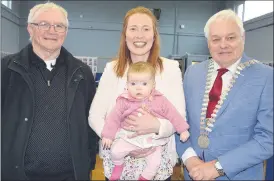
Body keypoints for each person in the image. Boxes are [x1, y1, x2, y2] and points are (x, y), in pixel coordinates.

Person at [1, 2, 98, 180]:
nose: (52, 31)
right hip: (18, 174)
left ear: (66, 32)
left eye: (59, 26)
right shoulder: (6, 70)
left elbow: (90, 122)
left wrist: (88, 162)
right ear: (30, 28)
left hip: (71, 175)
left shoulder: (82, 73)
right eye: (44, 24)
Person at [89, 6, 186, 180]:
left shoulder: (171, 69)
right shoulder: (112, 69)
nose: (139, 35)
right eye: (133, 29)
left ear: (154, 34)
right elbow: (95, 116)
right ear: (124, 35)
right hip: (119, 162)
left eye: (146, 29)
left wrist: (156, 126)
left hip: (157, 163)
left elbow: (178, 116)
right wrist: (124, 138)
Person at [176, 9, 273, 180]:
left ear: (243, 38)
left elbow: (267, 138)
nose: (223, 45)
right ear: (208, 43)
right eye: (216, 39)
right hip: (193, 174)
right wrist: (190, 159)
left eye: (231, 37)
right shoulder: (193, 73)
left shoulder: (265, 77)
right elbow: (178, 121)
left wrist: (217, 168)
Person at [101, 62, 190, 180]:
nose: (138, 88)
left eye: (144, 84)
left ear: (153, 85)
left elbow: (174, 115)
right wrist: (108, 135)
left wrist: (183, 130)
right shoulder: (124, 101)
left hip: (153, 141)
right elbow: (113, 118)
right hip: (130, 138)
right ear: (127, 84)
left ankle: (145, 177)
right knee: (115, 151)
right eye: (133, 83)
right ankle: (118, 165)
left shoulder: (160, 100)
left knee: (155, 162)